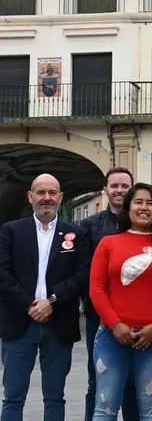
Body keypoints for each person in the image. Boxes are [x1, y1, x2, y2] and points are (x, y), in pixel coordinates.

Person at [89, 183, 152, 419]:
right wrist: (115, 324)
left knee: (151, 409)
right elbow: (96, 289)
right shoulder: (108, 243)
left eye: (150, 203)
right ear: (128, 208)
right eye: (138, 202)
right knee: (104, 407)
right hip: (111, 337)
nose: (144, 207)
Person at [0, 174, 90, 421]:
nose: (46, 198)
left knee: (55, 397)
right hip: (19, 323)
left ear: (61, 198)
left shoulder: (76, 234)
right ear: (31, 197)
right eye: (41, 193)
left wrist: (51, 302)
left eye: (52, 193)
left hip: (58, 324)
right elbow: (2, 274)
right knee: (13, 397)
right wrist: (30, 304)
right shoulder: (11, 231)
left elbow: (82, 275)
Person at [81, 167, 139, 421]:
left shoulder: (144, 224)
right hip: (99, 316)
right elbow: (85, 274)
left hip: (137, 315)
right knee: (97, 380)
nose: (119, 190)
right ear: (105, 190)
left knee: (132, 383)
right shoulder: (89, 226)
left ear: (132, 189)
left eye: (125, 186)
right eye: (114, 186)